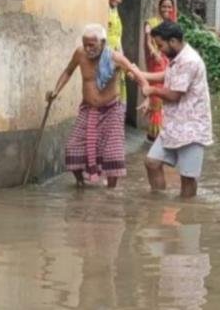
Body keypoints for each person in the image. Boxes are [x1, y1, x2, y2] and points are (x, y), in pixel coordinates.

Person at [48, 24, 147, 188]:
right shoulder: (79, 54)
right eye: (85, 44)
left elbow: (138, 76)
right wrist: (56, 91)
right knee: (72, 148)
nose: (87, 48)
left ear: (102, 42)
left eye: (91, 45)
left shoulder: (115, 58)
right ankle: (80, 184)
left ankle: (111, 192)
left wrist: (146, 95)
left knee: (112, 153)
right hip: (88, 109)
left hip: (111, 110)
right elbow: (68, 71)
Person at [141, 21, 213, 198]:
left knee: (187, 179)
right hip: (174, 125)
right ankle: (157, 204)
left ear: (173, 41)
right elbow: (168, 75)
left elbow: (174, 95)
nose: (159, 50)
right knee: (152, 162)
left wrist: (152, 90)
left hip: (191, 128)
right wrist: (141, 75)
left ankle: (188, 213)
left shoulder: (189, 61)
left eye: (160, 45)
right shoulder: (178, 58)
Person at [144, 0, 178, 142]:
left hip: (169, 62)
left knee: (169, 93)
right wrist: (154, 52)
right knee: (157, 95)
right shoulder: (151, 23)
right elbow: (148, 41)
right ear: (159, 7)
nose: (166, 9)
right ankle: (154, 134)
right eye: (164, 6)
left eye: (169, 6)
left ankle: (165, 130)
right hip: (157, 61)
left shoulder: (174, 24)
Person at [108, 0, 128, 106]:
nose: (118, 0)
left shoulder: (115, 11)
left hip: (117, 50)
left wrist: (121, 52)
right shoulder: (103, 9)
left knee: (117, 81)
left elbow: (118, 35)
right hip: (107, 50)